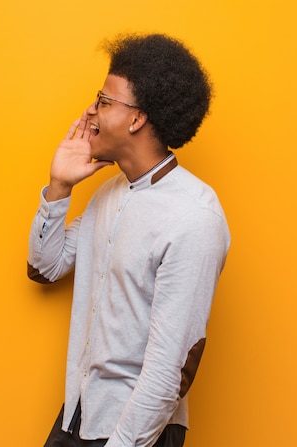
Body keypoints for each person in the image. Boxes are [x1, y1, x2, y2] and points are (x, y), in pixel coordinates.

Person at [27, 33, 231, 447]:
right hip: (79, 413)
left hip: (136, 432)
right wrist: (58, 186)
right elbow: (44, 268)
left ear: (137, 119)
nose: (90, 110)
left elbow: (170, 366)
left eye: (104, 101)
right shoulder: (109, 194)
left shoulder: (194, 216)